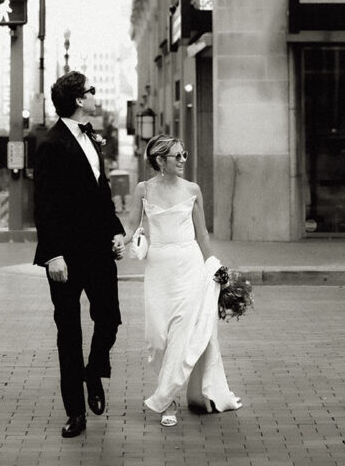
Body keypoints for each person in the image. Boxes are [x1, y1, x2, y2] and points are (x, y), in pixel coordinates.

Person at [124, 134, 242, 427]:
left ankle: (167, 401)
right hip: (158, 269)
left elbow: (202, 234)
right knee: (156, 338)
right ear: (159, 160)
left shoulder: (192, 189)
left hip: (189, 267)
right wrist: (117, 243)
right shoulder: (144, 189)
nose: (182, 160)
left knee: (180, 335)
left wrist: (214, 266)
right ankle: (171, 391)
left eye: (184, 154)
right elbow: (130, 226)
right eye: (176, 156)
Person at [33, 71, 125, 439]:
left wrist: (116, 231)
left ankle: (94, 370)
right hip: (66, 257)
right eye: (90, 90)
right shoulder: (50, 144)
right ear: (77, 99)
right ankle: (75, 413)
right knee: (68, 334)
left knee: (110, 320)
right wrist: (53, 254)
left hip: (99, 249)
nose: (94, 94)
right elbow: (44, 204)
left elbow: (100, 192)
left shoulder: (92, 138)